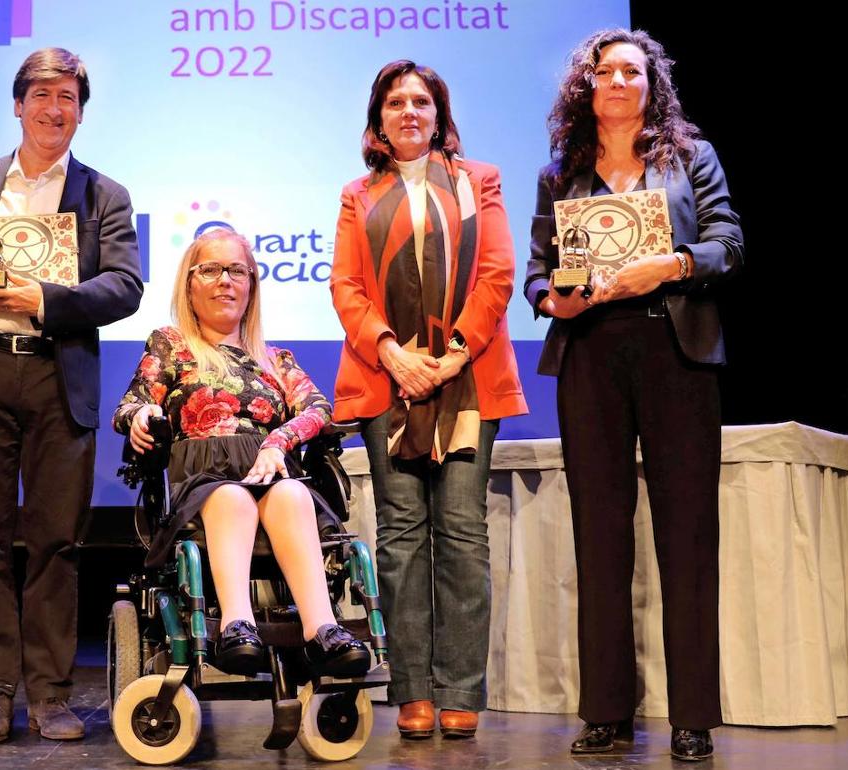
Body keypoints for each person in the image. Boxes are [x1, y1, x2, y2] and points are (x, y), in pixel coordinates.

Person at [0, 47, 143, 744]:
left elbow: (124, 287)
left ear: (80, 112)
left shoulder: (105, 196)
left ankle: (49, 694)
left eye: (68, 98)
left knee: (55, 543)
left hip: (54, 371)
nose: (54, 109)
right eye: (42, 96)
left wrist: (41, 296)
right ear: (18, 105)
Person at [523, 28, 743, 762]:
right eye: (604, 71)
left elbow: (728, 243)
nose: (617, 80)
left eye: (631, 70)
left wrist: (672, 265)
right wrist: (555, 302)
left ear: (653, 84)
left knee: (686, 538)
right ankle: (608, 713)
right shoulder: (562, 174)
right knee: (601, 538)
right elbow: (536, 273)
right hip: (591, 355)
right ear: (585, 87)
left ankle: (692, 718)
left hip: (675, 351)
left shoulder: (691, 158)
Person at [329, 60, 526, 739]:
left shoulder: (480, 181)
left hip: (466, 380)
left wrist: (448, 358)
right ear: (378, 119)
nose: (408, 111)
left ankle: (462, 688)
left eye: (420, 101)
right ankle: (412, 691)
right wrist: (393, 355)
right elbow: (347, 288)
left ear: (439, 114)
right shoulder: (359, 193)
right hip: (389, 384)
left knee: (464, 536)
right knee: (402, 539)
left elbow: (498, 273)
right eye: (395, 102)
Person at [113, 228, 371, 679]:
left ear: (251, 285)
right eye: (210, 269)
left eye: (236, 270)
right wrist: (142, 413)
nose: (224, 281)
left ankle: (322, 630)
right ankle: (237, 623)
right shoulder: (171, 346)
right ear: (189, 284)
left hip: (267, 470)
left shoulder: (276, 359)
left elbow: (317, 408)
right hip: (201, 478)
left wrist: (277, 441)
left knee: (293, 494)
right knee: (230, 497)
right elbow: (130, 404)